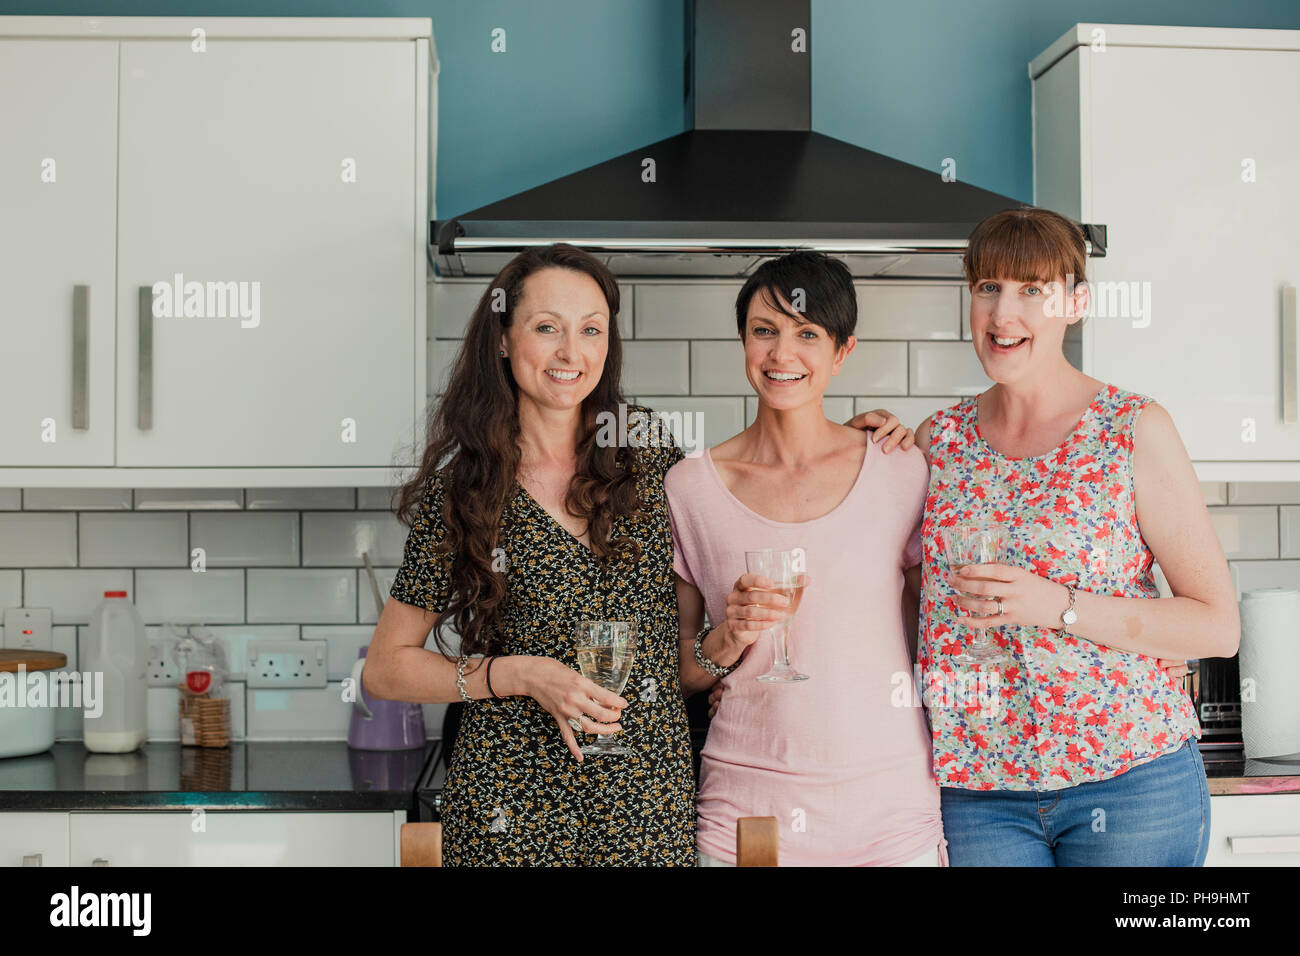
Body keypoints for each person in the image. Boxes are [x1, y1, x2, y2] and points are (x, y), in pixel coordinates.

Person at [914, 206, 1238, 865]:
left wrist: (1057, 606)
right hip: (978, 789)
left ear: (1076, 302)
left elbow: (1216, 627)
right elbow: (903, 594)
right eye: (988, 288)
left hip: (1130, 778)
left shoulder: (1132, 429)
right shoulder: (935, 442)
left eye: (1032, 290)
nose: (1004, 315)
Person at [364, 244, 696, 865]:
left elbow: (744, 492)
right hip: (510, 810)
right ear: (502, 339)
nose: (572, 352)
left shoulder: (644, 449)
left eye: (591, 330)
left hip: (647, 805)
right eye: (548, 328)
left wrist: (852, 435)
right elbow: (385, 668)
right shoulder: (464, 490)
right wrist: (513, 674)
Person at [666, 251, 946, 866]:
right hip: (747, 817)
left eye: (807, 334)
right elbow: (680, 674)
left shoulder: (900, 471)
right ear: (743, 340)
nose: (781, 354)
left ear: (843, 351)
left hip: (890, 813)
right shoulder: (689, 488)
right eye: (764, 331)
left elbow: (935, 631)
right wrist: (728, 639)